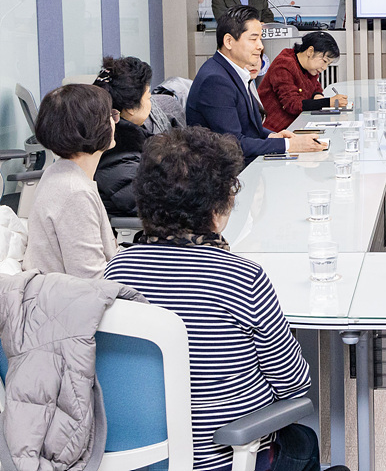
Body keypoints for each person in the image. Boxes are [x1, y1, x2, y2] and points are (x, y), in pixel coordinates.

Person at [104, 127, 317, 471]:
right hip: (229, 457)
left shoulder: (116, 271)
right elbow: (293, 383)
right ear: (220, 204)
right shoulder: (243, 279)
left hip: (147, 458)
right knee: (304, 442)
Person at [187, 5, 325, 164]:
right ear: (229, 41)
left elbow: (247, 129)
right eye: (253, 39)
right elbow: (233, 144)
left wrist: (272, 136)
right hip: (224, 173)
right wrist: (288, 145)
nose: (260, 46)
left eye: (260, 38)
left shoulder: (231, 71)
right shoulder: (215, 81)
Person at [22, 84, 118, 278]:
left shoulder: (58, 171)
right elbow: (91, 280)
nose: (116, 121)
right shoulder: (76, 193)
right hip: (69, 303)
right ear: (93, 127)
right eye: (111, 115)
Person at [93, 56, 153, 217]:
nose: (150, 103)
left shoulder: (111, 138)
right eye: (148, 97)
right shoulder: (118, 156)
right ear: (131, 109)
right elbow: (151, 206)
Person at [258, 31, 349, 132]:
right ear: (310, 51)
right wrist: (328, 102)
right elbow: (293, 105)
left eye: (328, 64)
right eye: (324, 61)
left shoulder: (308, 67)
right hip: (273, 131)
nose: (324, 67)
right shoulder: (283, 65)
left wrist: (317, 96)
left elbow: (316, 87)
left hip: (296, 125)